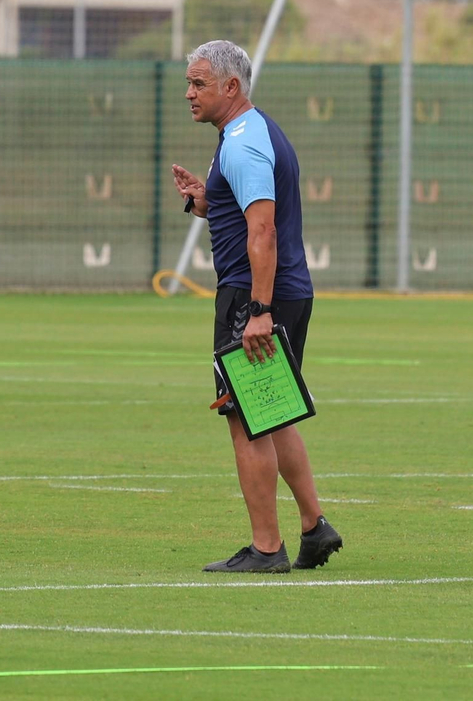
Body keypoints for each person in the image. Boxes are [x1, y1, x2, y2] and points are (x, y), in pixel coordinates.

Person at [171, 39, 342, 574]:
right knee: (272, 414)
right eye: (189, 82)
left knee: (245, 421)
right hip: (280, 290)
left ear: (231, 87)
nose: (189, 93)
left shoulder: (243, 143)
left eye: (199, 84)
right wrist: (206, 200)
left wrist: (259, 311)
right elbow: (246, 213)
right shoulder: (248, 133)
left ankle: (266, 549)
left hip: (256, 294)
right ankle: (315, 528)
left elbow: (262, 230)